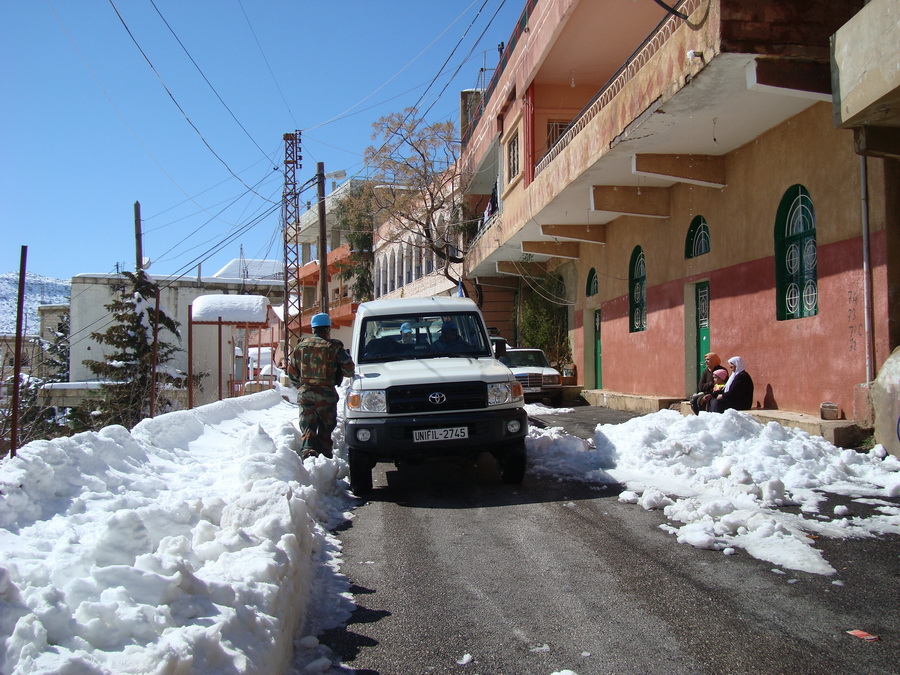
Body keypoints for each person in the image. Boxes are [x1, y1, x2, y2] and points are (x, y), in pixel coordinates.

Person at [287, 312, 355, 459]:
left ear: (313, 329)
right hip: (326, 395)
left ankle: (308, 453)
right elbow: (349, 370)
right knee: (326, 429)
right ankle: (325, 458)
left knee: (308, 427)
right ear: (328, 329)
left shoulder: (300, 347)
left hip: (306, 394)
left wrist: (302, 386)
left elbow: (292, 373)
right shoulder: (335, 346)